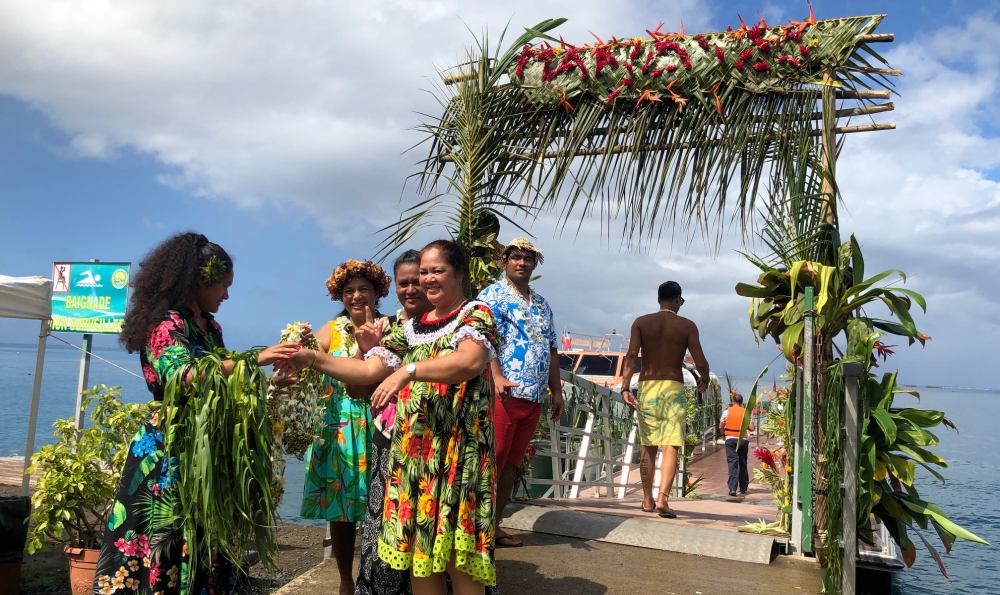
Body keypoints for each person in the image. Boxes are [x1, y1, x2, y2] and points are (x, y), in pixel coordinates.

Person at [278, 240, 498, 595]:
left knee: (460, 558)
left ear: (459, 274)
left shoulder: (475, 315)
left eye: (437, 270)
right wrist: (312, 359)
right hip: (414, 459)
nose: (427, 279)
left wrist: (408, 371)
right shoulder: (409, 329)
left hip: (459, 457)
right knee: (418, 557)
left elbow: (469, 362)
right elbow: (367, 371)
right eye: (423, 272)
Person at [91, 232, 300, 595]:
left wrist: (267, 385)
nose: (227, 295)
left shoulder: (211, 327)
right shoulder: (166, 325)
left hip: (209, 447)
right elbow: (181, 376)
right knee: (167, 536)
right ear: (201, 279)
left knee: (207, 539)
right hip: (170, 449)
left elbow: (222, 385)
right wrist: (255, 358)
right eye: (223, 285)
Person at [301, 259, 393, 595]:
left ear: (377, 293)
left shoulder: (391, 326)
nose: (356, 296)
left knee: (384, 503)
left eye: (363, 289)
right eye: (349, 290)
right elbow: (310, 356)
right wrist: (300, 345)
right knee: (342, 513)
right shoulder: (331, 330)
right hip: (339, 427)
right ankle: (344, 579)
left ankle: (380, 574)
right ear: (340, 296)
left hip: (381, 422)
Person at [477, 237, 564, 548]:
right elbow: (482, 337)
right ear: (506, 261)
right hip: (504, 392)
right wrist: (496, 375)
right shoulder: (492, 295)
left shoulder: (542, 304)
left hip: (534, 395)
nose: (522, 262)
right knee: (492, 462)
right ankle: (476, 527)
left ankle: (495, 526)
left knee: (512, 465)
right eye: (516, 257)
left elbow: (552, 348)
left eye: (528, 258)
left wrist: (556, 391)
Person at [354, 250, 432, 595]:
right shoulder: (385, 328)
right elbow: (357, 388)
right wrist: (364, 348)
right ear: (395, 287)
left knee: (426, 523)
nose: (412, 288)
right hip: (389, 437)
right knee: (386, 521)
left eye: (418, 280)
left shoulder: (449, 323)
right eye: (404, 282)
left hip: (434, 442)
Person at [619, 281, 710, 519]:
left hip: (648, 386)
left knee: (648, 445)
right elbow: (700, 360)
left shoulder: (640, 322)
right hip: (673, 388)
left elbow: (631, 356)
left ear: (659, 299)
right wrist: (705, 378)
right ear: (678, 299)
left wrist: (625, 387)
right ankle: (663, 500)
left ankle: (647, 500)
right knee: (670, 445)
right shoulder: (687, 325)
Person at [719, 393, 755, 497]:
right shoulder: (745, 412)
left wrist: (723, 435)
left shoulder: (727, 412)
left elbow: (721, 425)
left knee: (732, 463)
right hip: (742, 440)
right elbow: (752, 428)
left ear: (732, 401)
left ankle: (732, 488)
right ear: (741, 402)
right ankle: (743, 487)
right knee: (743, 462)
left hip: (730, 439)